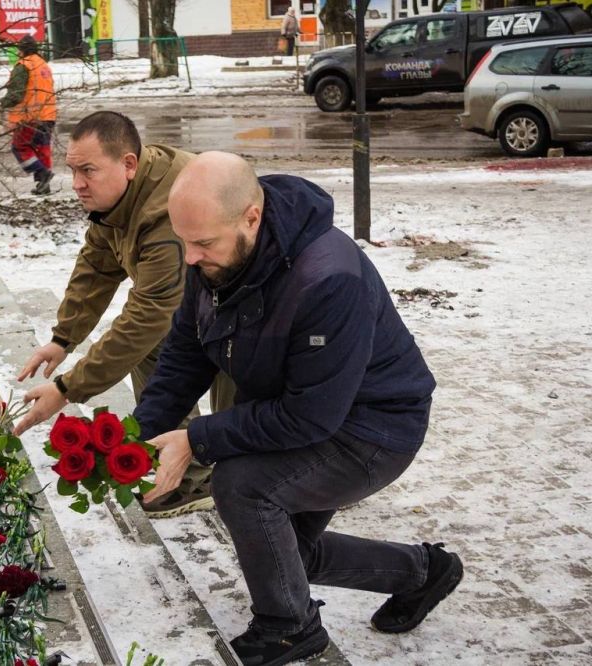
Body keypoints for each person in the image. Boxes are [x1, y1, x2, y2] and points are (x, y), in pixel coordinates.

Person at [133, 152, 463, 666]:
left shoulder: (328, 278)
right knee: (289, 558)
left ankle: (288, 627)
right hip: (307, 411)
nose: (190, 258)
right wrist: (138, 436)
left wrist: (196, 440)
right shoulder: (218, 253)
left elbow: (310, 417)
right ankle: (423, 572)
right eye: (184, 242)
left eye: (201, 244)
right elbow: (187, 349)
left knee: (243, 486)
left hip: (373, 428)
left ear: (251, 217)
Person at [13, 111, 233, 517]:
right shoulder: (118, 198)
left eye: (88, 171)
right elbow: (97, 264)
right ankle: (191, 471)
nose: (77, 184)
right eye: (72, 170)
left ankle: (268, 478)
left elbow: (150, 313)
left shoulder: (165, 212)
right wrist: (63, 338)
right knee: (154, 350)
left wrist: (66, 388)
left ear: (128, 164)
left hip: (255, 311)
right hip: (208, 304)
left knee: (238, 402)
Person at [0, 35, 56, 195]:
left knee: (20, 147)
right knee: (42, 150)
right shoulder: (43, 65)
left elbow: (16, 94)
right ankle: (44, 185)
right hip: (48, 115)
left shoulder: (23, 66)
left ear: (21, 50)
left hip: (30, 117)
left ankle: (42, 173)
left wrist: (2, 103)